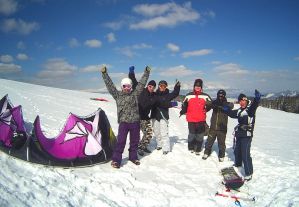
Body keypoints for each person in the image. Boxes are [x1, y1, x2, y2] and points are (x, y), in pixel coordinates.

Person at [101, 66, 150, 168]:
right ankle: (116, 160)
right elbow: (110, 86)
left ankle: (133, 157)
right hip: (123, 123)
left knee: (134, 141)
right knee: (121, 141)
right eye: (125, 86)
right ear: (122, 87)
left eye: (128, 86)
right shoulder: (117, 95)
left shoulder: (135, 94)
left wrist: (146, 73)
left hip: (135, 122)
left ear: (131, 86)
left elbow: (141, 84)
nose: (127, 88)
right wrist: (105, 74)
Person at [222, 89, 261, 181]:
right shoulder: (239, 110)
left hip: (247, 135)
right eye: (240, 101)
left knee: (245, 153)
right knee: (237, 151)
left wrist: (257, 99)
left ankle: (249, 173)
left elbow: (254, 106)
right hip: (239, 134)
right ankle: (238, 165)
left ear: (246, 101)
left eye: (243, 100)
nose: (242, 102)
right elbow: (232, 114)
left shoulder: (249, 110)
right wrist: (226, 110)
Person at [128, 66, 157, 156]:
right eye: (150, 86)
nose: (151, 88)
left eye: (153, 87)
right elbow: (133, 79)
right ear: (148, 85)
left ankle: (142, 146)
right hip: (136, 116)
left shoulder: (154, 96)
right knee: (136, 134)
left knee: (148, 133)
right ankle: (136, 148)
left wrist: (171, 104)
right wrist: (131, 72)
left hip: (145, 117)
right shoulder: (141, 90)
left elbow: (161, 100)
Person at [180, 79, 212, 155]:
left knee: (200, 134)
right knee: (192, 134)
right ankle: (191, 147)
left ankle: (198, 148)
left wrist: (205, 110)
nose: (197, 87)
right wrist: (183, 110)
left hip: (201, 118)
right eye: (196, 86)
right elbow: (184, 104)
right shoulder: (189, 95)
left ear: (201, 87)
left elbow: (210, 104)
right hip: (191, 118)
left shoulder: (205, 96)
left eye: (199, 86)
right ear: (194, 86)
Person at [202, 89, 234, 162]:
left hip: (222, 128)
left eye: (222, 95)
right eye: (219, 95)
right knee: (209, 141)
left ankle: (221, 155)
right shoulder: (215, 102)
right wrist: (212, 104)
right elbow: (208, 103)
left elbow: (231, 105)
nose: (220, 96)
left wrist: (223, 106)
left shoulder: (226, 103)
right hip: (213, 127)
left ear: (224, 96)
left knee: (221, 143)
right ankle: (207, 152)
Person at [151, 80, 180, 154]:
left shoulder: (168, 95)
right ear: (158, 86)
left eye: (164, 86)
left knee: (164, 132)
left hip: (163, 116)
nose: (162, 87)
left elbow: (175, 93)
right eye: (161, 86)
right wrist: (171, 104)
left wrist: (177, 86)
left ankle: (166, 148)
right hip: (155, 115)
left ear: (166, 87)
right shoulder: (154, 94)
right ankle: (159, 144)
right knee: (157, 132)